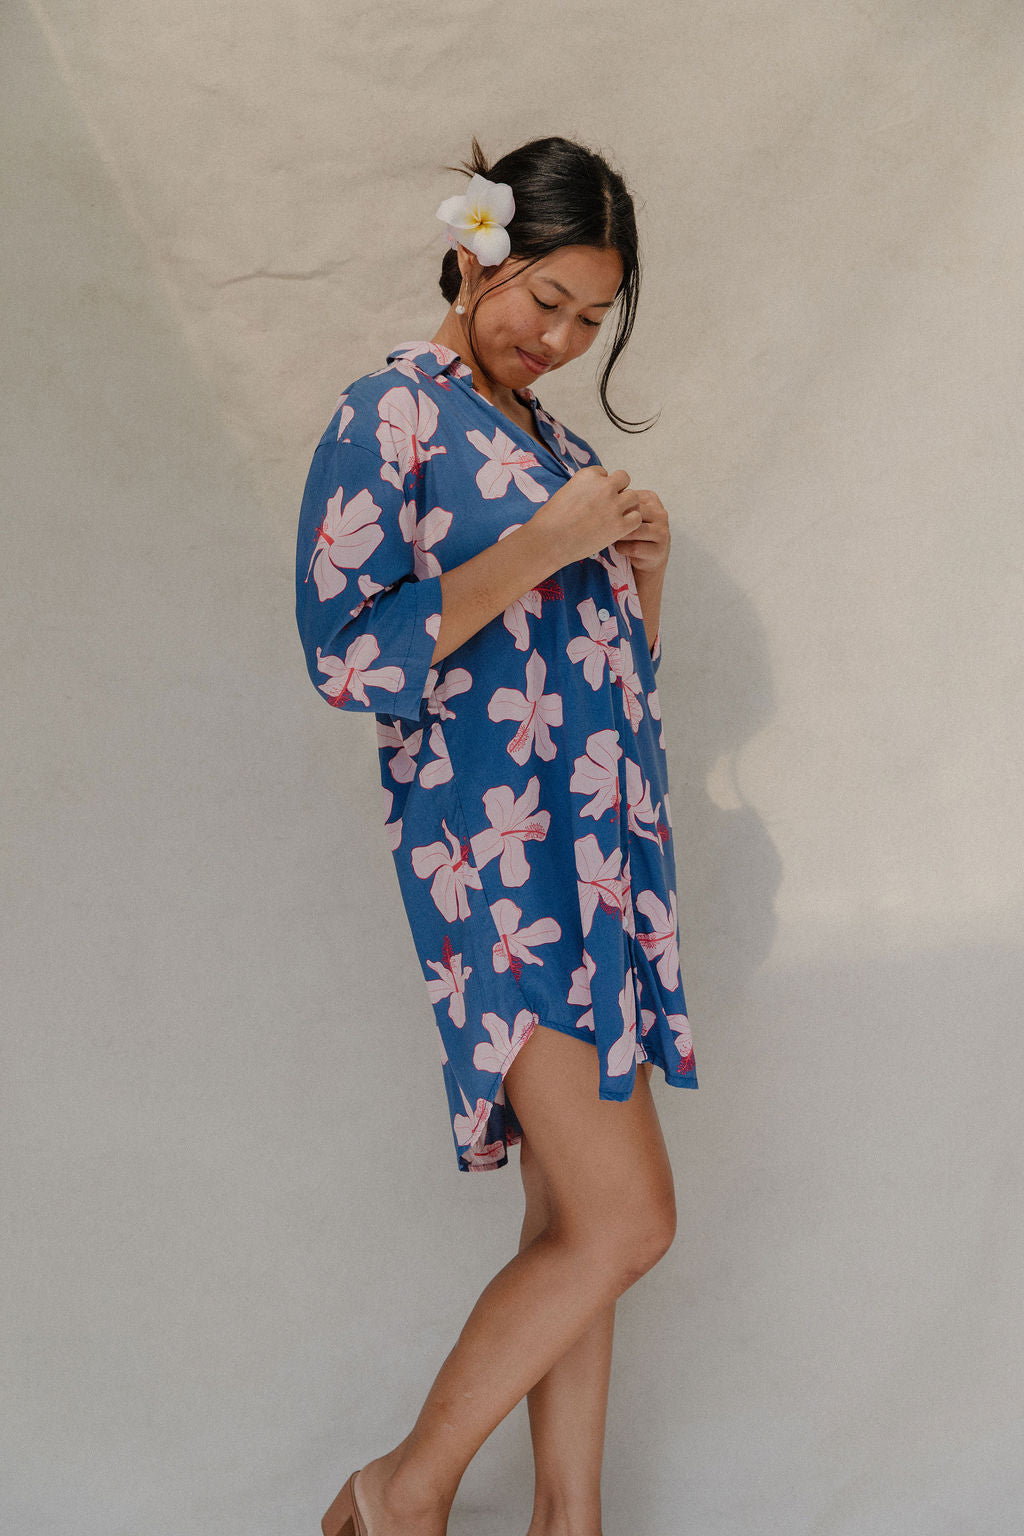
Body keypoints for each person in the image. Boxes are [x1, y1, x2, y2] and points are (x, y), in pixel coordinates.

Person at [295, 134, 698, 1536]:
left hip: (592, 871)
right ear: (477, 252)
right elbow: (346, 656)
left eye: (592, 319)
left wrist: (639, 583)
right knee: (631, 1223)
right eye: (546, 297)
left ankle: (567, 1522)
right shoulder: (388, 414)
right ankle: (397, 1497)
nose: (562, 337)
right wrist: (541, 544)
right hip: (493, 868)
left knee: (575, 1230)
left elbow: (592, 697)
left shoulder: (561, 449)